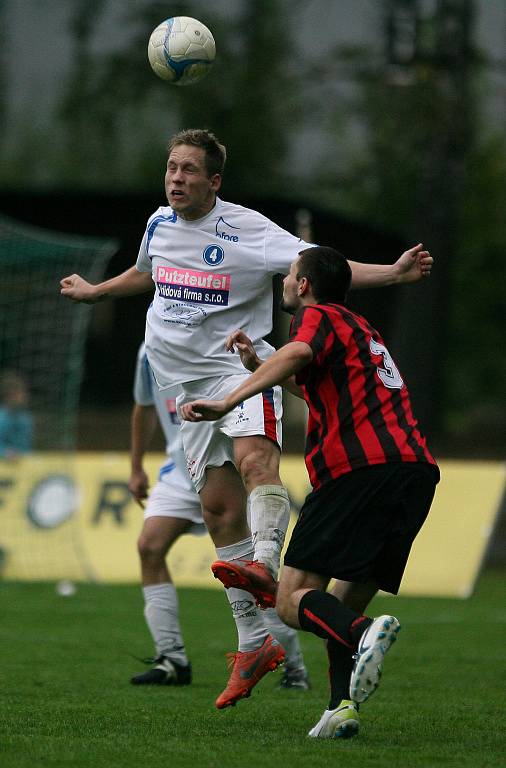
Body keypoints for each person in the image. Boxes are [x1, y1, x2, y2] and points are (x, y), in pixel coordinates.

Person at [60, 128, 433, 708]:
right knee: (217, 510)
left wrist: (392, 273)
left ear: (214, 180)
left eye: (189, 170)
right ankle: (255, 643)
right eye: (171, 168)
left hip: (239, 370)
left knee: (257, 460)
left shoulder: (246, 229)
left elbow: (323, 268)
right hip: (182, 388)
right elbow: (146, 273)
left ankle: (264, 563)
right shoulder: (159, 224)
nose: (176, 179)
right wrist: (96, 292)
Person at [180, 245, 439, 739]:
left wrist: (227, 400)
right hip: (413, 473)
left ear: (303, 286)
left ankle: (365, 636)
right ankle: (341, 708)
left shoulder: (320, 316)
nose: (284, 282)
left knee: (292, 598)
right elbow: (313, 383)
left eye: (289, 275)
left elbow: (299, 352)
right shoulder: (362, 330)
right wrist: (259, 361)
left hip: (356, 471)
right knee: (339, 608)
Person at [129, 341, 311, 693]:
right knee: (149, 546)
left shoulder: (223, 342)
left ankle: (292, 665)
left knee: (249, 573)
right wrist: (136, 466)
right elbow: (143, 406)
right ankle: (172, 659)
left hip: (222, 467)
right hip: (178, 471)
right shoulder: (149, 351)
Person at [0, 371, 33, 459]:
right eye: (19, 393)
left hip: (22, 463)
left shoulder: (26, 419)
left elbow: (26, 445)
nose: (24, 396)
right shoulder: (2, 418)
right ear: (8, 395)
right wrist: (4, 452)